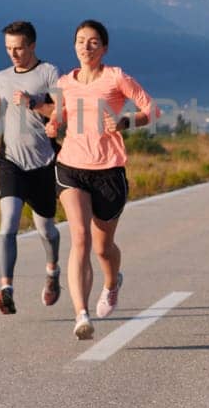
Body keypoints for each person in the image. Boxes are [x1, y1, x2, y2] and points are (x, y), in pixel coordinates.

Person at [47, 19, 158, 340]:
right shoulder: (64, 83)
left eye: (93, 41)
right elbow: (59, 116)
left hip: (109, 170)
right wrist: (53, 125)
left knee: (103, 247)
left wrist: (125, 121)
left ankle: (111, 283)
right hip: (71, 167)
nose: (86, 46)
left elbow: (151, 110)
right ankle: (81, 315)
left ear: (104, 48)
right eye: (81, 41)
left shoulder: (116, 78)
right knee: (79, 236)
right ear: (74, 46)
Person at [0, 21, 62, 315]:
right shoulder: (1, 78)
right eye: (8, 48)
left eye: (18, 48)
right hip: (11, 161)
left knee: (46, 229)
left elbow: (63, 113)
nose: (13, 54)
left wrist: (34, 103)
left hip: (43, 163)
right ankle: (7, 289)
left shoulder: (49, 73)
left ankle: (52, 271)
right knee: (10, 221)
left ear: (31, 46)